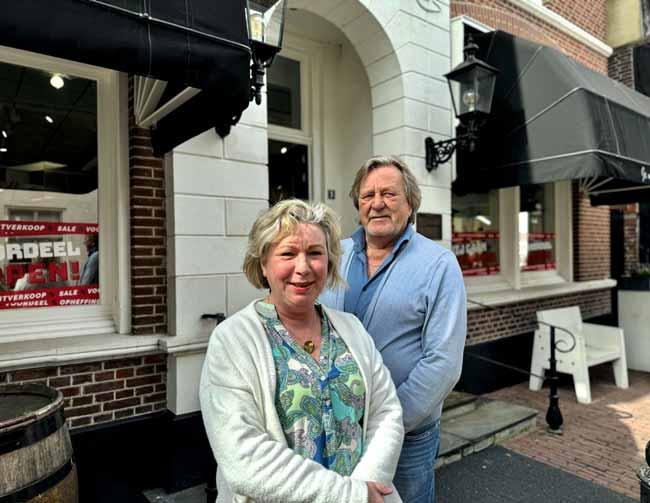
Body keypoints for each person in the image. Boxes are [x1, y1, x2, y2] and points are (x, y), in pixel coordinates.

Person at [199, 199, 404, 503]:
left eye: (315, 253)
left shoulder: (351, 329)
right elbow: (244, 458)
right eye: (288, 253)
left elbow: (386, 412)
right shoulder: (232, 340)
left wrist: (366, 487)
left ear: (329, 262)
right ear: (263, 263)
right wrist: (350, 496)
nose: (303, 267)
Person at [320, 155, 467, 503]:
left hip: (407, 435)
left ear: (411, 203)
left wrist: (387, 424)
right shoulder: (335, 255)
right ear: (358, 205)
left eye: (389, 194)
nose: (377, 203)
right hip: (337, 427)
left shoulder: (439, 264)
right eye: (368, 195)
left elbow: (444, 362)